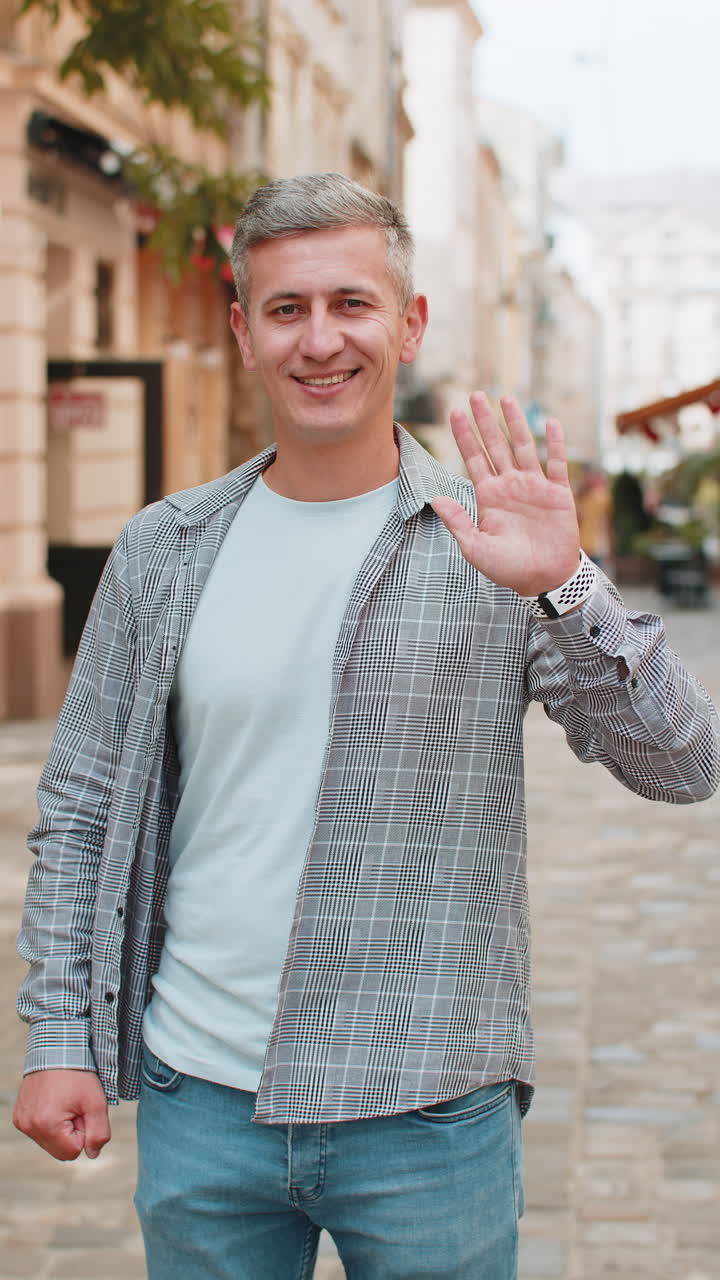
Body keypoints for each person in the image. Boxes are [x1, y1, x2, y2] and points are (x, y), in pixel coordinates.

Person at [13, 173, 720, 1280]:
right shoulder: (165, 548)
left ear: (410, 321)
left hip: (430, 1109)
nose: (321, 340)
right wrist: (58, 1039)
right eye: (287, 309)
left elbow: (686, 764)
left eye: (352, 302)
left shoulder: (495, 550)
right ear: (244, 331)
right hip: (203, 1099)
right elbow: (83, 805)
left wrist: (571, 583)